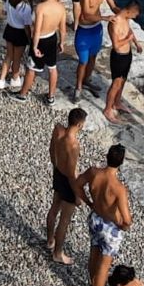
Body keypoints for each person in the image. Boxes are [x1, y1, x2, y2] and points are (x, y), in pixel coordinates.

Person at [78, 144, 132, 286]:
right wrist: (123, 226)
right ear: (121, 162)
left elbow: (77, 183)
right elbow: (127, 219)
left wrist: (88, 202)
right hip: (110, 226)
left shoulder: (94, 172)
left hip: (95, 218)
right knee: (104, 264)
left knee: (94, 253)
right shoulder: (119, 188)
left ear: (107, 156)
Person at [13, 0, 65, 103]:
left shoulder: (40, 8)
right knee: (52, 68)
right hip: (52, 38)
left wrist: (34, 47)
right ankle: (51, 97)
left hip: (40, 40)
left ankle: (23, 95)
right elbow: (63, 29)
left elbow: (37, 30)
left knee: (31, 69)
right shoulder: (61, 7)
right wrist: (62, 42)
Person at [47, 108, 86, 265]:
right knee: (64, 220)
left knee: (54, 208)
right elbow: (71, 174)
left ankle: (50, 240)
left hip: (57, 172)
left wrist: (56, 165)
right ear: (79, 124)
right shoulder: (73, 145)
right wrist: (78, 196)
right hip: (68, 180)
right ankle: (58, 253)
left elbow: (51, 150)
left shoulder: (58, 130)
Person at [73, 0, 113, 95]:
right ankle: (78, 87)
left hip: (96, 30)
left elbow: (113, 5)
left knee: (93, 57)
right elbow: (85, 14)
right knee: (83, 61)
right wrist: (104, 18)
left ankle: (87, 80)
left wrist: (123, 14)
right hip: (84, 30)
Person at [102, 0, 142, 121]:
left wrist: (136, 42)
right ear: (130, 11)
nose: (134, 17)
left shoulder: (126, 18)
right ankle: (107, 109)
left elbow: (129, 30)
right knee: (116, 83)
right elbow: (116, 45)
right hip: (118, 56)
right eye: (135, 15)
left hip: (127, 55)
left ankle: (117, 102)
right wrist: (128, 39)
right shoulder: (115, 22)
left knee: (123, 80)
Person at [0, 0, 35, 92]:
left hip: (9, 29)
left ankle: (1, 80)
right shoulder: (26, 7)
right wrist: (30, 39)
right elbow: (26, 25)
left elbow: (4, 12)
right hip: (20, 33)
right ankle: (15, 78)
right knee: (17, 58)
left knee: (8, 56)